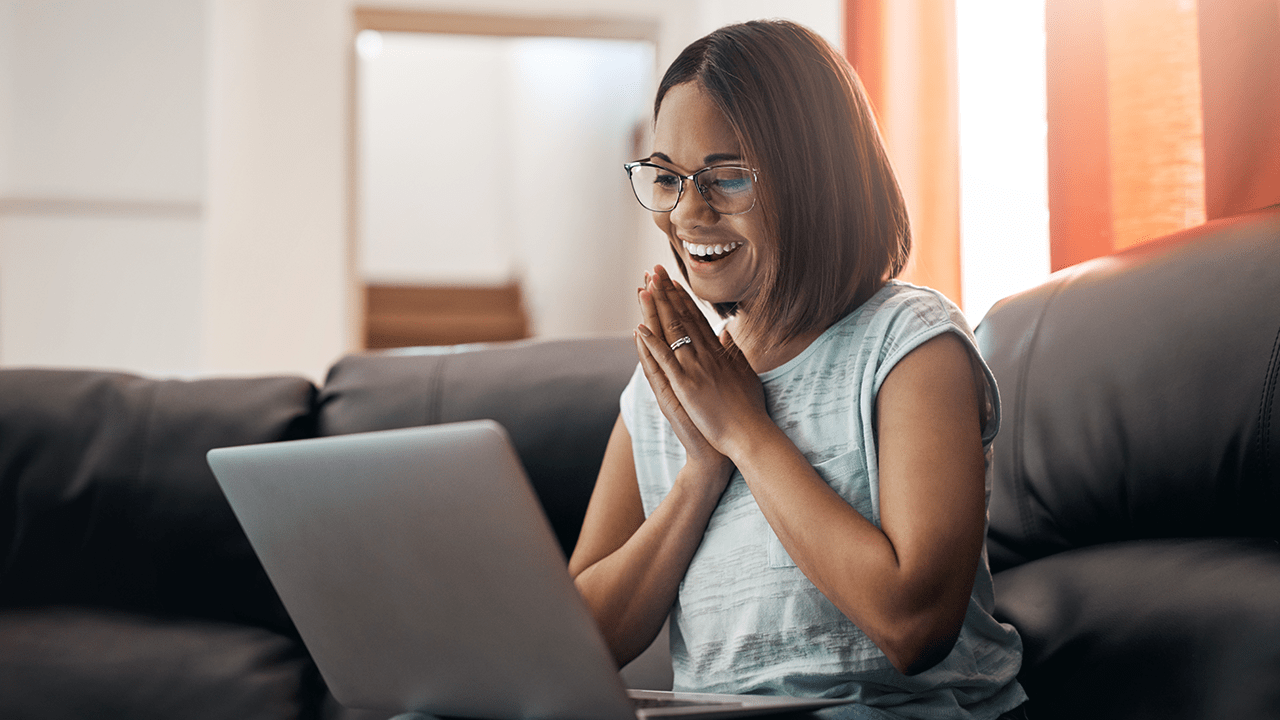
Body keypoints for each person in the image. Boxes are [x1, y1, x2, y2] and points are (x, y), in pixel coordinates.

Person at [567, 19, 1027, 720]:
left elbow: (914, 625)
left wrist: (746, 433)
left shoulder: (910, 344)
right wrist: (701, 472)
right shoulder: (669, 383)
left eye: (727, 177)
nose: (689, 211)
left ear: (816, 178)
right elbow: (576, 640)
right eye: (668, 177)